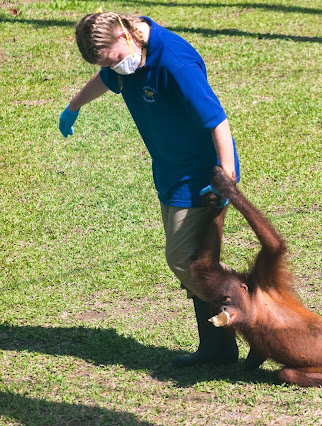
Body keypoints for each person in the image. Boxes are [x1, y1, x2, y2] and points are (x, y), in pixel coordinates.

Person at [58, 11, 241, 368]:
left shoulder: (174, 61)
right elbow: (106, 77)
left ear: (125, 37)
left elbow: (217, 119)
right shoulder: (125, 57)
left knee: (183, 260)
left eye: (114, 60)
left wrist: (227, 179)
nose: (116, 69)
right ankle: (217, 350)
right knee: (198, 262)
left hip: (202, 177)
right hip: (171, 173)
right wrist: (74, 105)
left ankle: (248, 313)